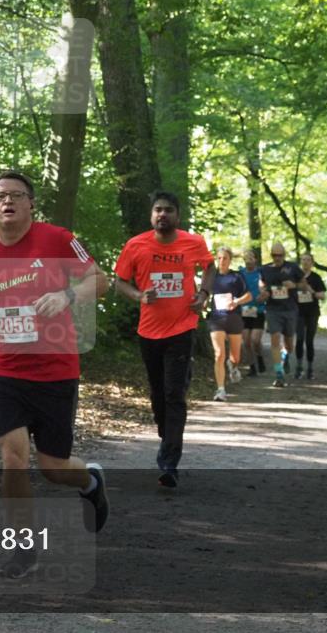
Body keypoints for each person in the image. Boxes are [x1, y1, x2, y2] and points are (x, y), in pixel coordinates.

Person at [0, 171, 110, 580]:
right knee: (13, 459)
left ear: (31, 203)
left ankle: (90, 482)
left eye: (15, 195)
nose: (7, 201)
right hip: (6, 370)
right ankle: (22, 549)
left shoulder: (59, 239)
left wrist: (66, 294)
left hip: (55, 368)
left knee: (53, 466)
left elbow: (100, 281)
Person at [113, 191, 215, 487]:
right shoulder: (136, 245)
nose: (162, 215)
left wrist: (204, 294)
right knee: (158, 395)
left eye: (168, 210)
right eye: (158, 210)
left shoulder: (193, 242)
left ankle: (169, 462)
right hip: (149, 331)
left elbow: (208, 267)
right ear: (151, 215)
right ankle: (166, 433)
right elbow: (120, 282)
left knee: (174, 394)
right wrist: (139, 295)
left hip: (182, 328)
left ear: (177, 216)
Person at [207, 248, 252, 401]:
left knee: (236, 357)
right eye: (219, 258)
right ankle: (220, 390)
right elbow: (204, 294)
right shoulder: (212, 276)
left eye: (225, 258)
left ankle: (232, 366)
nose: (222, 261)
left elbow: (249, 295)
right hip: (216, 319)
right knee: (219, 354)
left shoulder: (237, 277)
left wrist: (236, 302)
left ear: (230, 259)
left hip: (234, 319)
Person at [259, 242, 304, 388]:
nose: (277, 258)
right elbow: (261, 286)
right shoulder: (265, 269)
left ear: (284, 255)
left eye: (280, 255)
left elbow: (304, 285)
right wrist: (263, 293)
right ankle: (279, 374)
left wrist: (294, 285)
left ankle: (285, 358)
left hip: (290, 309)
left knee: (289, 344)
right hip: (273, 310)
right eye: (274, 255)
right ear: (271, 255)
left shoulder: (293, 268)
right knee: (275, 338)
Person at [295, 253, 327, 380]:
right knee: (299, 339)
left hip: (312, 313)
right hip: (298, 312)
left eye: (308, 260)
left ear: (312, 263)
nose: (305, 262)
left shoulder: (316, 278)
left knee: (309, 340)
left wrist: (311, 290)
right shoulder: (295, 277)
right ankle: (298, 367)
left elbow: (323, 296)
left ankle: (310, 368)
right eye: (303, 260)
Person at [238, 249, 268, 378]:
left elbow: (267, 289)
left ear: (255, 260)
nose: (249, 260)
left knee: (255, 340)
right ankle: (252, 367)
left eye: (251, 258)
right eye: (246, 258)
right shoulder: (240, 273)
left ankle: (260, 357)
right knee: (246, 342)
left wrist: (264, 295)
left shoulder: (261, 273)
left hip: (259, 310)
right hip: (244, 310)